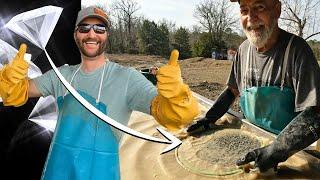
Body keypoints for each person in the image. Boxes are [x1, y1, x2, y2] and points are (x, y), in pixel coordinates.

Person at [0, 6, 199, 180]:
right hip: (57, 170)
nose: (92, 34)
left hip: (102, 173)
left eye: (100, 28)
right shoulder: (61, 75)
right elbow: (19, 92)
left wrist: (176, 96)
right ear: (76, 35)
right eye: (84, 28)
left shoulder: (127, 78)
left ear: (107, 35)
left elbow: (169, 113)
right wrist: (11, 80)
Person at [187, 0, 320, 173]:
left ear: (277, 10)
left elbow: (316, 114)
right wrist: (210, 117)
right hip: (251, 142)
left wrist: (275, 151)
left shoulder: (297, 51)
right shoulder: (243, 50)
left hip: (290, 154)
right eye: (244, 10)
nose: (251, 18)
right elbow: (232, 90)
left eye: (259, 7)